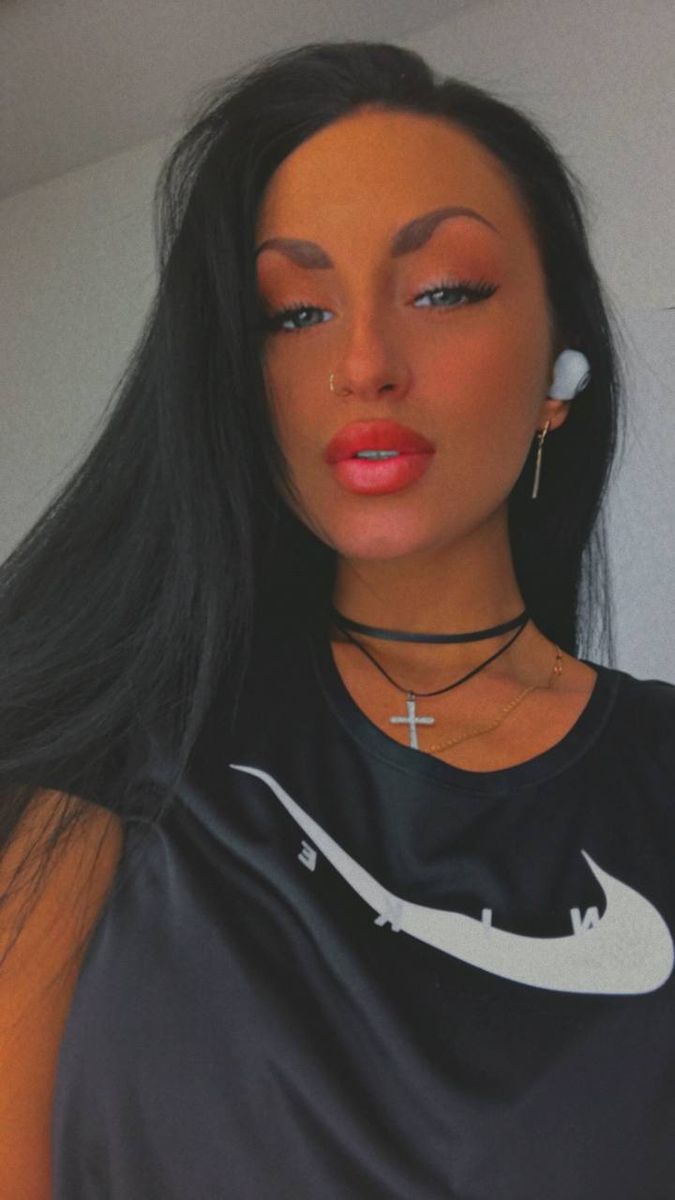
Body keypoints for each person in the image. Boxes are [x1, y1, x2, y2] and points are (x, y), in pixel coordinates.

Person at [0, 38, 673, 1200]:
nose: (363, 364)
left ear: (561, 371)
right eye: (295, 312)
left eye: (444, 291)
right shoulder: (115, 745)